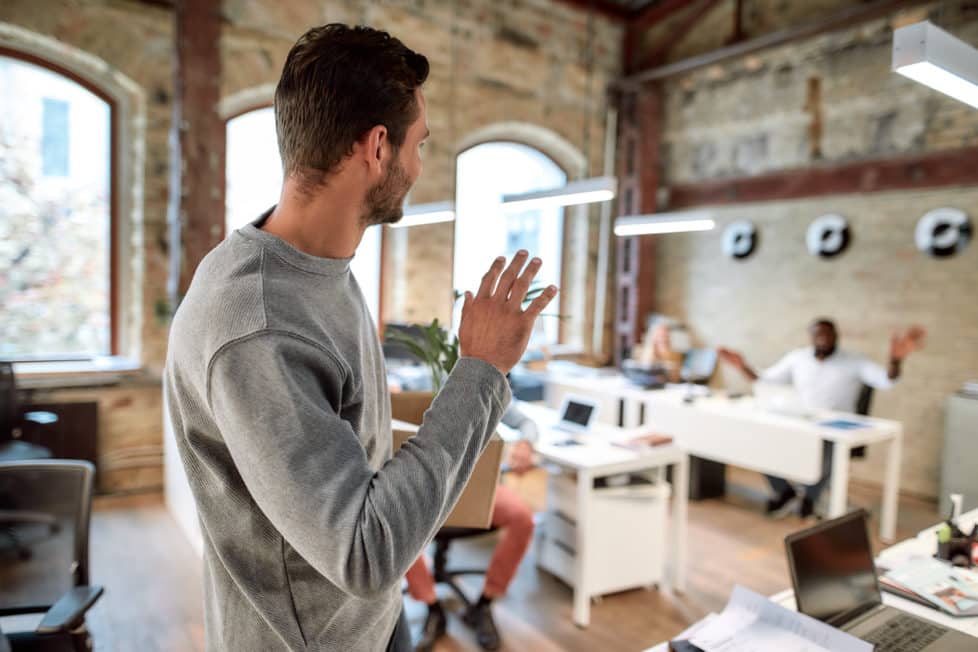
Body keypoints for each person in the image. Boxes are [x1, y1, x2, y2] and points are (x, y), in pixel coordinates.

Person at [164, 24, 557, 652]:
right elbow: (363, 552)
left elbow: (348, 457)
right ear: (378, 146)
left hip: (369, 617)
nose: (419, 165)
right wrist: (482, 367)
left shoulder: (320, 266)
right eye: (419, 144)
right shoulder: (257, 325)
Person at [718, 318, 925, 518]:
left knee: (827, 455)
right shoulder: (798, 358)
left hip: (834, 429)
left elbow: (886, 380)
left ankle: (809, 499)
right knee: (760, 445)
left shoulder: (854, 361)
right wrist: (741, 365)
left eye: (828, 334)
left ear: (836, 336)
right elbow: (764, 380)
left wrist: (895, 360)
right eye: (819, 334)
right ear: (811, 336)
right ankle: (785, 493)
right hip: (801, 423)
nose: (824, 338)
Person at [409, 404, 538, 652]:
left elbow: (527, 424)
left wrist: (525, 443)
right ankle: (432, 608)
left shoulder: (489, 388)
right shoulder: (421, 385)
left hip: (478, 487)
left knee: (522, 518)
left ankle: (484, 604)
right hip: (431, 491)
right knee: (397, 523)